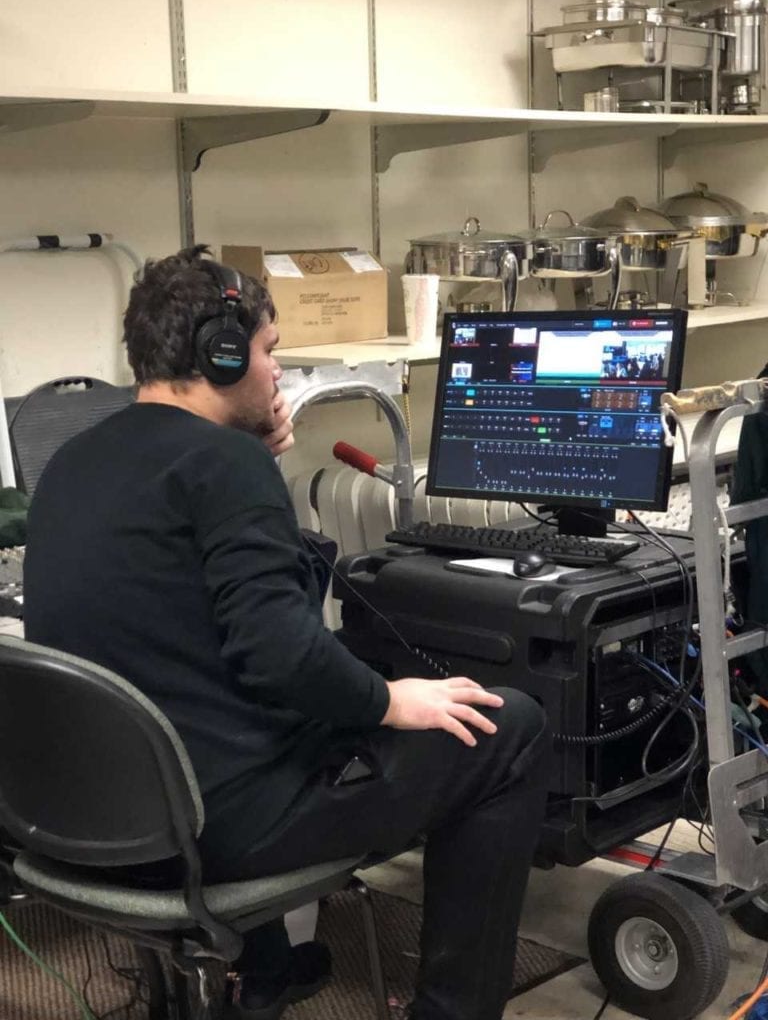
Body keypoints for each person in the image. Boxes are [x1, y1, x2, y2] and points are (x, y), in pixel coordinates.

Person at [22, 247, 550, 1020]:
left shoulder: (73, 460)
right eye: (270, 352)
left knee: (233, 711)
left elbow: (203, 636)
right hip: (207, 833)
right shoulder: (224, 468)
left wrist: (253, 465)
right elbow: (282, 654)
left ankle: (266, 970)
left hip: (87, 825)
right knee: (510, 729)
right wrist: (388, 701)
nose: (277, 375)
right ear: (222, 353)